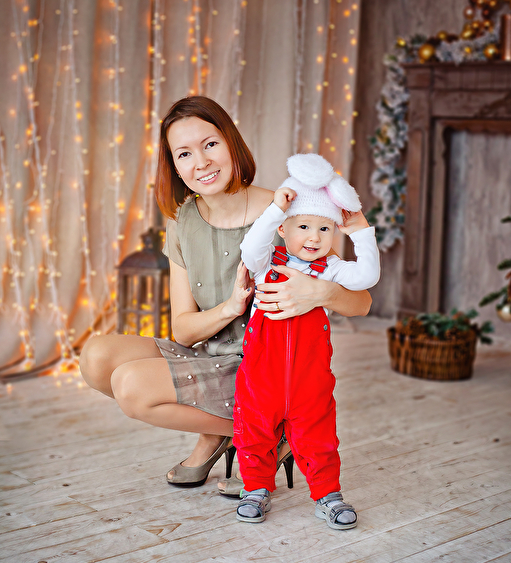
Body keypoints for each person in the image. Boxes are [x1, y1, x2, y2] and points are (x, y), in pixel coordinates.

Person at [79, 96, 373, 492]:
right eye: (184, 153)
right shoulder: (181, 220)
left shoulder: (285, 210)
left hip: (267, 372)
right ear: (174, 166)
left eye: (210, 144)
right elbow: (184, 331)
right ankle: (239, 433)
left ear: (231, 143)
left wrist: (318, 292)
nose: (201, 162)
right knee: (96, 357)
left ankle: (268, 432)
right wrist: (230, 307)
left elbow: (362, 303)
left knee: (133, 387)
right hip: (211, 356)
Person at [233, 153, 380, 528]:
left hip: (309, 377)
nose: (314, 237)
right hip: (261, 374)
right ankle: (255, 489)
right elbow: (249, 251)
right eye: (303, 226)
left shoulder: (329, 268)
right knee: (254, 431)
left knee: (319, 437)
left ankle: (328, 495)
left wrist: (361, 231)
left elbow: (366, 277)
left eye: (325, 228)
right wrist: (274, 210)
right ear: (283, 228)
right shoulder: (267, 262)